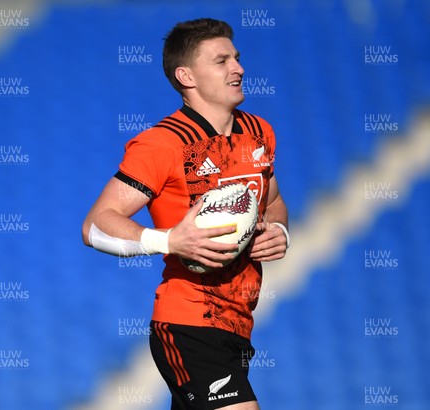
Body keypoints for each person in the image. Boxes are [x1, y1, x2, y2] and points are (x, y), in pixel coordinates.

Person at [81, 18, 289, 410]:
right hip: (189, 323)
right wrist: (169, 240)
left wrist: (280, 229)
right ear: (186, 76)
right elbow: (94, 225)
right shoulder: (162, 143)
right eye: (221, 60)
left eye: (237, 58)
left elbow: (274, 202)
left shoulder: (260, 132)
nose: (239, 68)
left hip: (238, 325)